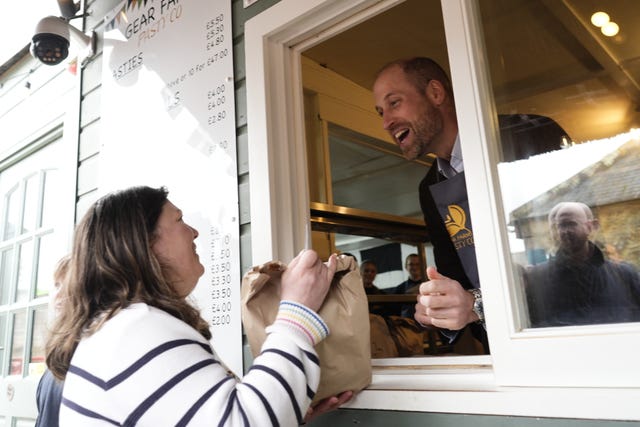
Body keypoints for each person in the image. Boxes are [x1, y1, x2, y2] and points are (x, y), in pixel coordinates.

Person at [45, 186, 351, 426]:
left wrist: (283, 409)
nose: (194, 232)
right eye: (178, 220)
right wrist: (297, 312)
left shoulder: (119, 329)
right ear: (144, 243)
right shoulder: (134, 330)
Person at [373, 57, 488, 352]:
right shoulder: (430, 187)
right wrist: (439, 309)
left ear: (436, 93)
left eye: (394, 103)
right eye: (381, 112)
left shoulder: (522, 135)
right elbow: (457, 283)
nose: (386, 122)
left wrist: (476, 304)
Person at [524, 202, 640, 327]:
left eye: (570, 224)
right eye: (556, 227)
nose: (562, 232)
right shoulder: (536, 280)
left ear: (591, 227)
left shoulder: (625, 276)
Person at [35, 255, 70, 427]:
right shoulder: (55, 353)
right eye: (57, 285)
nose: (59, 294)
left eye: (69, 284)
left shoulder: (87, 351)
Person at [389, 254, 424, 318]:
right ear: (406, 267)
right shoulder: (399, 289)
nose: (414, 267)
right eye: (411, 264)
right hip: (407, 325)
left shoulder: (429, 285)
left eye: (417, 264)